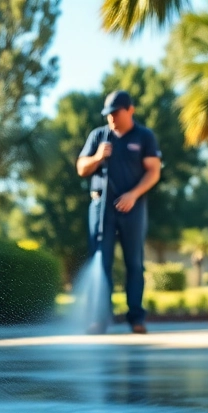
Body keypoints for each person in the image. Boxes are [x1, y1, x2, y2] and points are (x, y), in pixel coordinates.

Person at [76, 90, 162, 334]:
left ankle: (136, 318)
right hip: (101, 206)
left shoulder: (144, 136)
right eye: (108, 114)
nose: (111, 118)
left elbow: (153, 171)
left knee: (134, 262)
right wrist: (97, 157)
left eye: (115, 113)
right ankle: (100, 318)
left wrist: (133, 195)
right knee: (101, 261)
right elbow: (81, 168)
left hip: (132, 208)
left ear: (129, 110)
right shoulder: (98, 136)